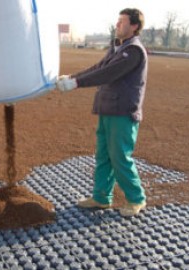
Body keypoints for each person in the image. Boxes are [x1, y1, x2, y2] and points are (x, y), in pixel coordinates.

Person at [56, 8, 147, 216]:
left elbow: (108, 74)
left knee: (120, 157)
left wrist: (76, 83)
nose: (117, 25)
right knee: (104, 155)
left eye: (122, 22)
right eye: (118, 21)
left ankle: (136, 199)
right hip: (108, 109)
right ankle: (101, 197)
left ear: (134, 26)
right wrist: (73, 76)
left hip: (123, 113)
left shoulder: (133, 51)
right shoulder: (117, 47)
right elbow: (99, 67)